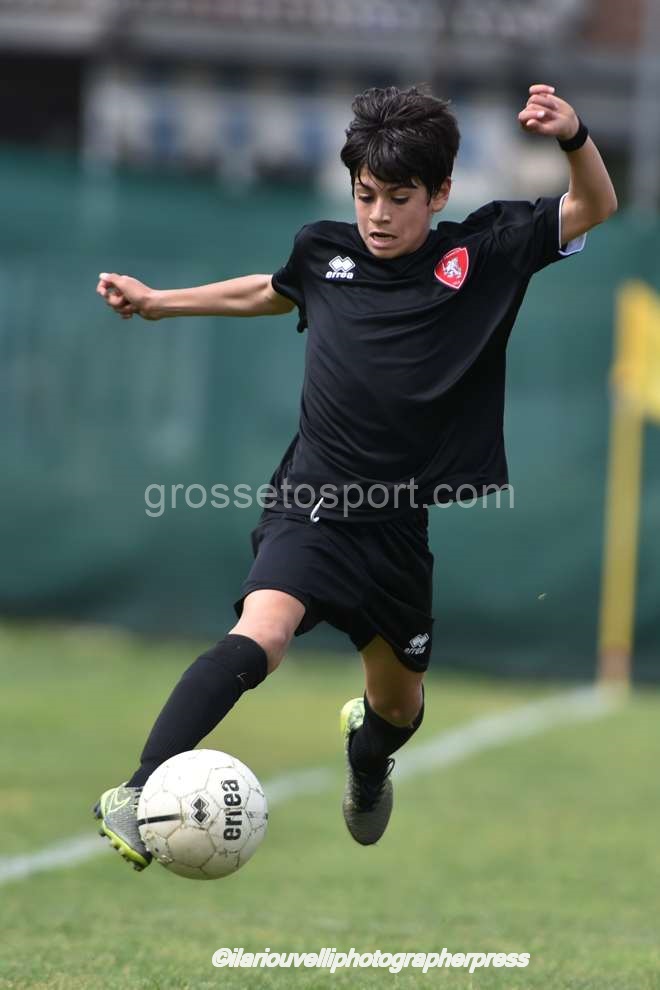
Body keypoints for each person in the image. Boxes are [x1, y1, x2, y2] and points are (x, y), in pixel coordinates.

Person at [93, 83, 617, 870]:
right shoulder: (322, 251)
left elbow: (595, 206)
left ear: (439, 193)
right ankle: (136, 791)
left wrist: (573, 136)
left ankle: (368, 760)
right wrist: (160, 302)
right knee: (262, 634)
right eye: (365, 195)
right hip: (311, 502)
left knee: (398, 709)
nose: (378, 214)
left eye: (399, 199)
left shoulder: (483, 253)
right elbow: (270, 290)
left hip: (397, 526)